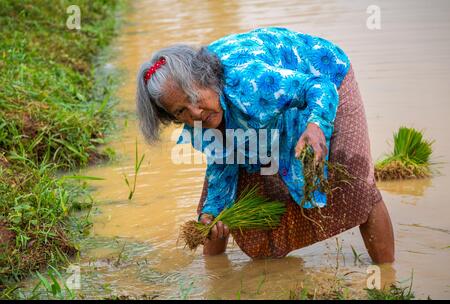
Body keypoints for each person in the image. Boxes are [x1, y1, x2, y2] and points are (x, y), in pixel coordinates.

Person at [136, 27, 395, 263]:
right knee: (216, 208)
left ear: (207, 79)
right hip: (269, 102)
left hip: (325, 77)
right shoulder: (200, 119)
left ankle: (387, 280)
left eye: (195, 98)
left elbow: (319, 87)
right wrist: (210, 215)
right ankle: (214, 276)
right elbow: (222, 165)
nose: (195, 113)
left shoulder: (251, 83)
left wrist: (316, 125)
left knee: (356, 183)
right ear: (172, 117)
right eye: (181, 110)